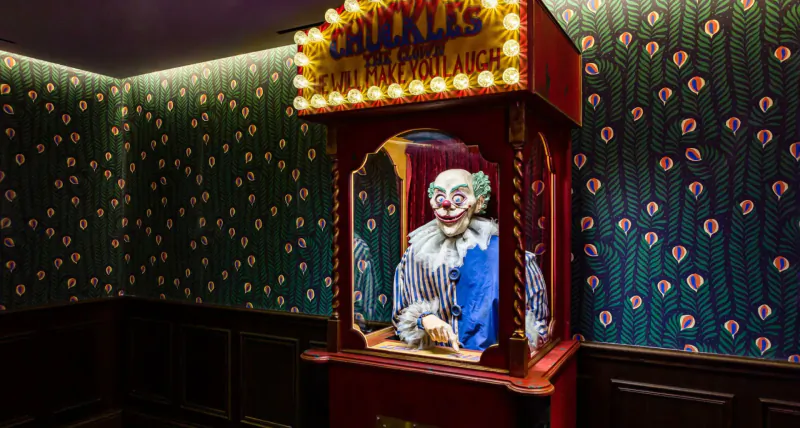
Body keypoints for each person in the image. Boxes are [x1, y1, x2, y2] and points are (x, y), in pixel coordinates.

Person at [392, 169, 549, 352]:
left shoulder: (511, 257)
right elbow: (399, 315)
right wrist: (423, 319)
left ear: (479, 202)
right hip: (432, 362)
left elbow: (537, 329)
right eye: (440, 197)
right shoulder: (414, 255)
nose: (446, 204)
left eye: (458, 197)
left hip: (489, 365)